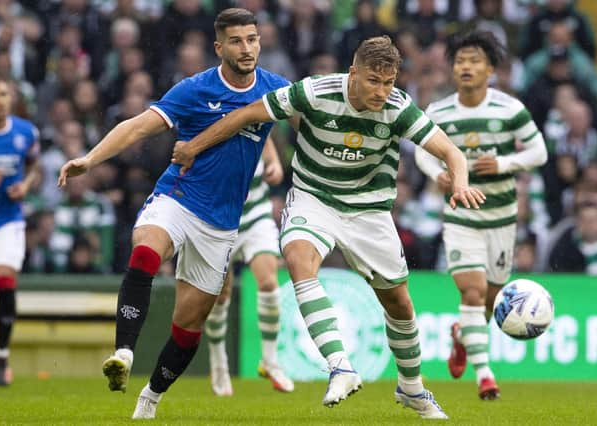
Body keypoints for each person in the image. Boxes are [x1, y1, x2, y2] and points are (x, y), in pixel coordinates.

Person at [172, 35, 487, 420]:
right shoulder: (314, 92)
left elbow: (451, 151)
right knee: (299, 259)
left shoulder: (398, 107)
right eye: (373, 80)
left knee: (400, 303)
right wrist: (193, 147)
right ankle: (340, 366)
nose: (381, 91)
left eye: (389, 82)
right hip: (314, 198)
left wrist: (460, 182)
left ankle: (412, 388)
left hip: (369, 209)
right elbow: (247, 114)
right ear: (352, 72)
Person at [58, 8, 290, 420]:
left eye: (252, 39)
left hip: (221, 225)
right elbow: (136, 126)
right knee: (146, 250)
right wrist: (89, 159)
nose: (247, 48)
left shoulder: (274, 89)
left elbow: (318, 111)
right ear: (219, 47)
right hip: (178, 198)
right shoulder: (194, 89)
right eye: (236, 41)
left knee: (189, 326)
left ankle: (149, 398)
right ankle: (124, 352)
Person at [414, 31, 548, 400]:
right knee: (471, 291)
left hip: (502, 217)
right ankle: (485, 377)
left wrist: (506, 162)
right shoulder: (439, 111)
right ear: (453, 69)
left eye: (474, 61)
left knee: (489, 300)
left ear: (490, 69)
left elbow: (539, 152)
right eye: (460, 61)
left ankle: (461, 336)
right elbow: (422, 151)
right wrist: (436, 174)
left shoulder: (509, 109)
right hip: (460, 217)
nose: (466, 67)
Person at [205, 138, 294, 396]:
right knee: (220, 295)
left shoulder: (250, 110)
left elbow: (265, 135)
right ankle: (218, 361)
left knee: (268, 282)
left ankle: (269, 361)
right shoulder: (210, 121)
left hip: (256, 216)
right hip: (218, 222)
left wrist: (274, 162)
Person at [0, 73, 40, 387]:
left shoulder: (26, 132)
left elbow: (33, 165)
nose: (1, 101)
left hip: (7, 220)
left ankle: (1, 354)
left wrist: (24, 186)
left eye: (4, 94)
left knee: (5, 278)